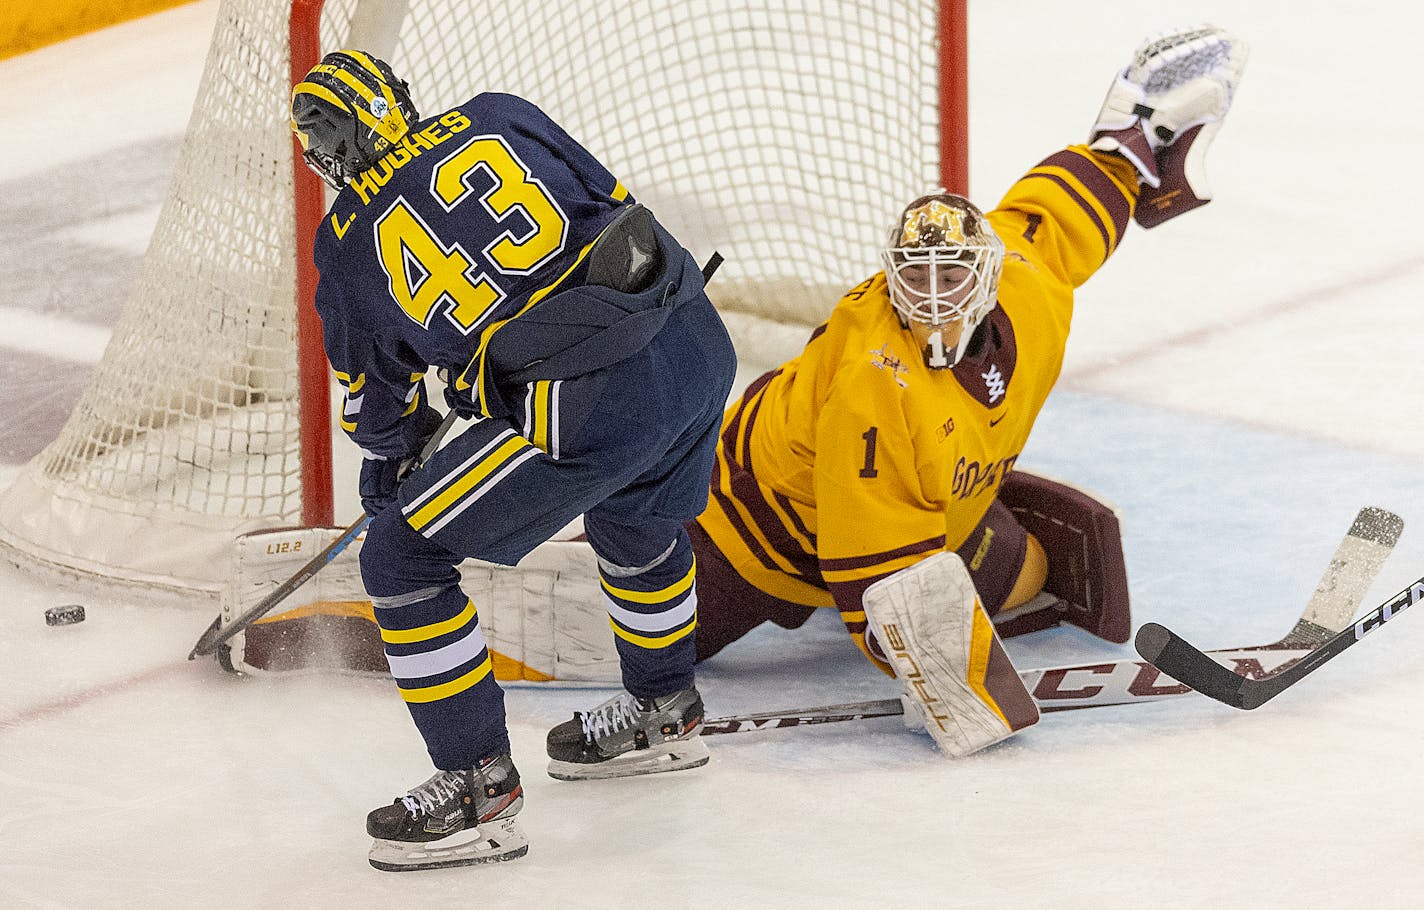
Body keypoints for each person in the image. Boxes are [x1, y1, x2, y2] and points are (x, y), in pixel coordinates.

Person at [688, 25, 1248, 756]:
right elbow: (875, 573)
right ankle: (641, 553)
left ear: (987, 276)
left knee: (1034, 574)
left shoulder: (1028, 282)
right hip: (758, 520)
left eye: (949, 276)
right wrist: (952, 682)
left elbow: (1056, 220)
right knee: (653, 628)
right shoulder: (875, 384)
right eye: (913, 277)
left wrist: (1126, 153)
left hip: (924, 510)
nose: (930, 295)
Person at [289, 50, 736, 870]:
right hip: (697, 338)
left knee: (403, 557)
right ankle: (664, 709)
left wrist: (396, 455)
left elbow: (374, 402)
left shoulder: (346, 244)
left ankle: (475, 790)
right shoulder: (501, 111)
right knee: (634, 508)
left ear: (323, 153)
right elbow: (614, 211)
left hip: (592, 401)